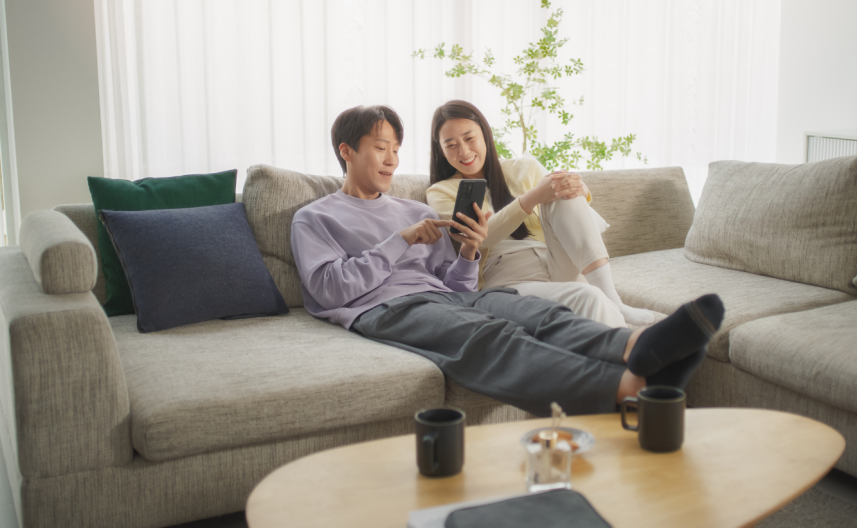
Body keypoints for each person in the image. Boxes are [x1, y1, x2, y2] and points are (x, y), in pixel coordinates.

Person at [290, 104, 723, 416]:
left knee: (539, 315)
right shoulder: (314, 217)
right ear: (346, 152)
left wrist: (468, 251)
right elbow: (329, 290)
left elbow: (457, 284)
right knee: (489, 337)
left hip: (449, 298)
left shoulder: (415, 210)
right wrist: (396, 244)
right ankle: (630, 388)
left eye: (396, 149)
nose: (392, 159)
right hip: (384, 309)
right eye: (381, 148)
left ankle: (634, 344)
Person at [426, 100, 657, 329]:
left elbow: (577, 212)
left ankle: (613, 299)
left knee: (558, 186)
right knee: (589, 296)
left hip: (557, 261)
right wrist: (532, 197)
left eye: (469, 138)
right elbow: (481, 239)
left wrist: (578, 188)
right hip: (509, 279)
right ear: (441, 150)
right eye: (451, 145)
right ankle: (625, 347)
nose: (464, 151)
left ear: (485, 135)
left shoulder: (523, 168)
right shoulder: (440, 191)